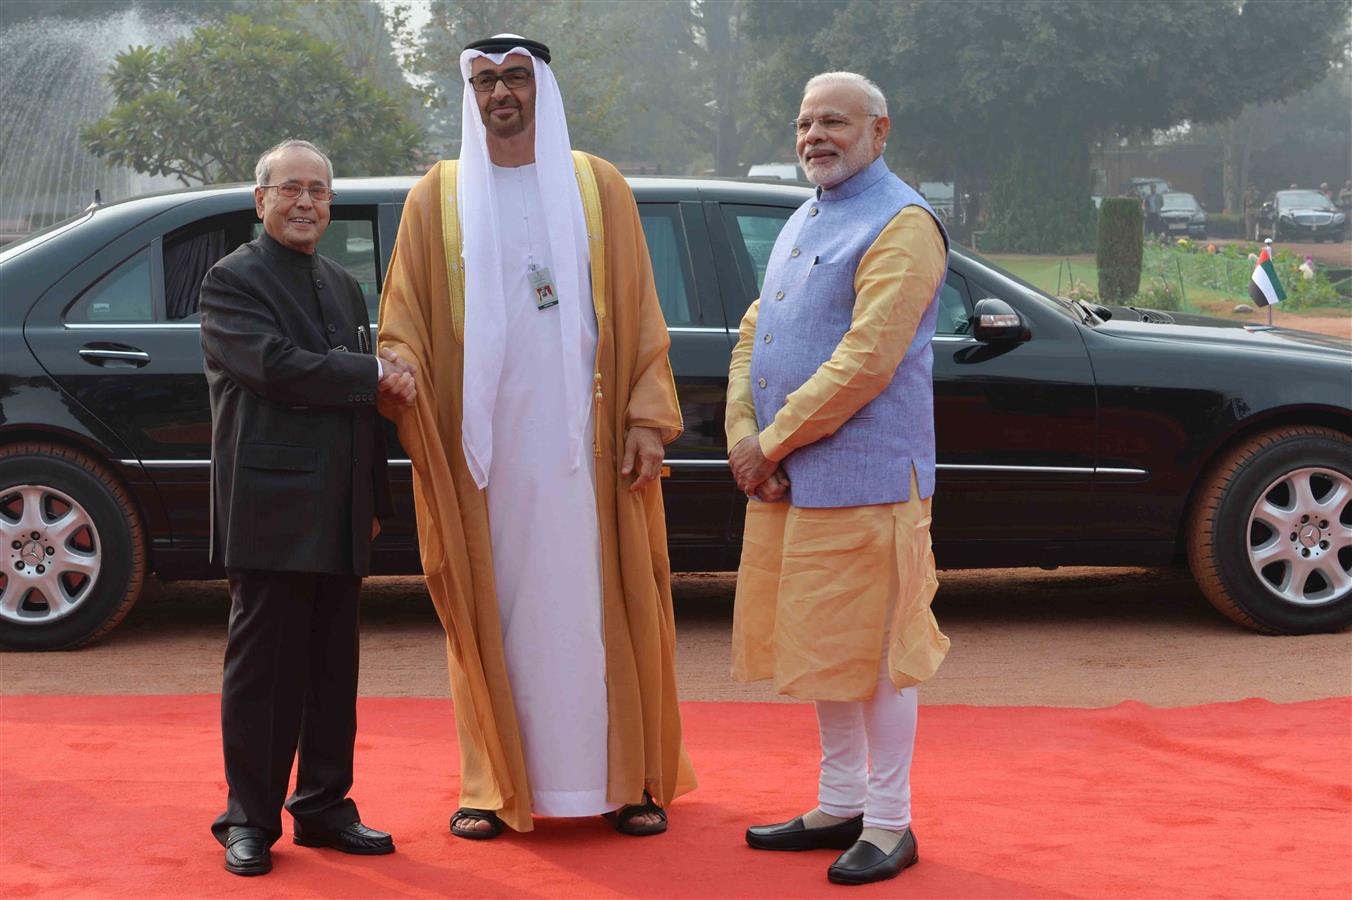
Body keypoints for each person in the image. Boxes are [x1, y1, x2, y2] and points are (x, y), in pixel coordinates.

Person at [376, 34, 695, 841]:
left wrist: (646, 419)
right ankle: (492, 786)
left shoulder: (598, 187)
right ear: (470, 94)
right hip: (483, 455)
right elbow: (404, 315)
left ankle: (627, 784)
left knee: (601, 607)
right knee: (495, 610)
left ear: (540, 88)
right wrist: (399, 365)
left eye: (515, 78)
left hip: (584, 454)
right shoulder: (436, 196)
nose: (500, 94)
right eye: (485, 82)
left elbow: (641, 312)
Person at [725, 71, 951, 887]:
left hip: (871, 482)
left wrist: (774, 443)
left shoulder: (904, 223)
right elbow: (759, 330)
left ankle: (890, 824)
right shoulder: (804, 216)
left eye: (835, 123)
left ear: (880, 132)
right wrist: (747, 436)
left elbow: (866, 361)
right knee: (824, 648)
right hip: (794, 480)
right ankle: (840, 803)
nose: (815, 136)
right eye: (805, 123)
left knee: (880, 656)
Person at [200, 138, 414, 876]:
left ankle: (324, 807)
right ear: (260, 200)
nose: (305, 203)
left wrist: (376, 498)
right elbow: (276, 369)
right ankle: (248, 819)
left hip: (341, 506)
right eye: (289, 189)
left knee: (332, 668)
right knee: (263, 672)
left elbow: (363, 409)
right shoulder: (232, 281)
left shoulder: (342, 283)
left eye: (319, 191)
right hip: (269, 506)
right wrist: (374, 369)